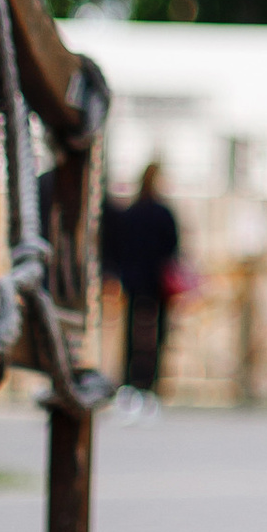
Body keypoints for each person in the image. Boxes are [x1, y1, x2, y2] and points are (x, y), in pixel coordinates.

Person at [101, 159, 181, 418]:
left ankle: (130, 383)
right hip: (154, 281)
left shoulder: (132, 212)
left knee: (132, 334)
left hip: (135, 279)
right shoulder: (161, 213)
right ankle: (149, 386)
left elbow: (117, 246)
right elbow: (173, 248)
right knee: (156, 335)